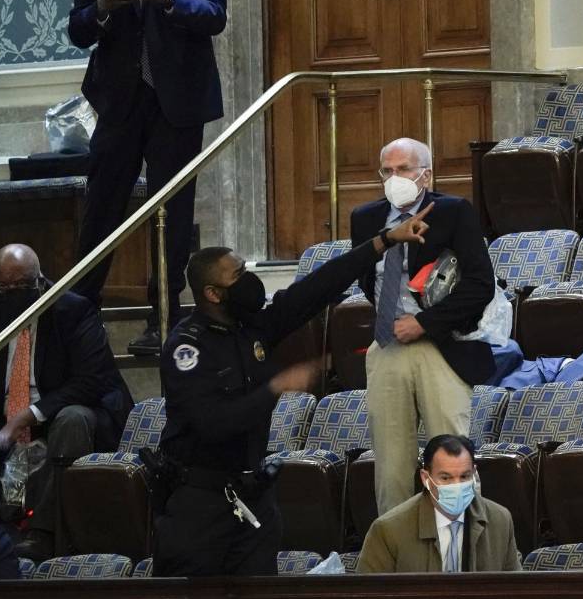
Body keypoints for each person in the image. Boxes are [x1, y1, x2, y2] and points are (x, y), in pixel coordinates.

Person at [154, 216, 419, 576]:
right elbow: (213, 423)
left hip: (253, 498)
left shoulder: (255, 326)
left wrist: (384, 240)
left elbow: (317, 288)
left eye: (245, 269)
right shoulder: (187, 348)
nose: (249, 282)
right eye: (236, 276)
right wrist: (276, 387)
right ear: (213, 294)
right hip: (199, 502)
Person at [67, 0, 228, 354]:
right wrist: (103, 6)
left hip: (177, 103)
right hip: (118, 102)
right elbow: (77, 28)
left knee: (171, 214)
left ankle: (163, 317)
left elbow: (215, 15)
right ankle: (81, 313)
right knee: (101, 208)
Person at [350, 138, 496, 516]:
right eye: (388, 170)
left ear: (425, 174)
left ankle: (465, 553)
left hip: (441, 346)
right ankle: (397, 564)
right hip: (388, 346)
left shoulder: (454, 211)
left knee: (452, 456)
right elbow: (368, 279)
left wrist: (424, 323)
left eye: (404, 169)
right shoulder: (364, 218)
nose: (395, 177)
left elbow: (480, 285)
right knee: (391, 467)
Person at [0, 245, 133, 562]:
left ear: (39, 280)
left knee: (70, 418)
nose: (11, 293)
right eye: (3, 287)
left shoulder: (71, 310)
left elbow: (90, 381)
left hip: (74, 411)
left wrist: (27, 416)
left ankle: (43, 532)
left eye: (20, 285)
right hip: (6, 417)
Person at [358, 435, 520, 574]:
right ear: (425, 478)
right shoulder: (388, 530)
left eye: (464, 476)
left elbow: (514, 594)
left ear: (474, 473)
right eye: (446, 478)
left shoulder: (500, 520)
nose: (456, 485)